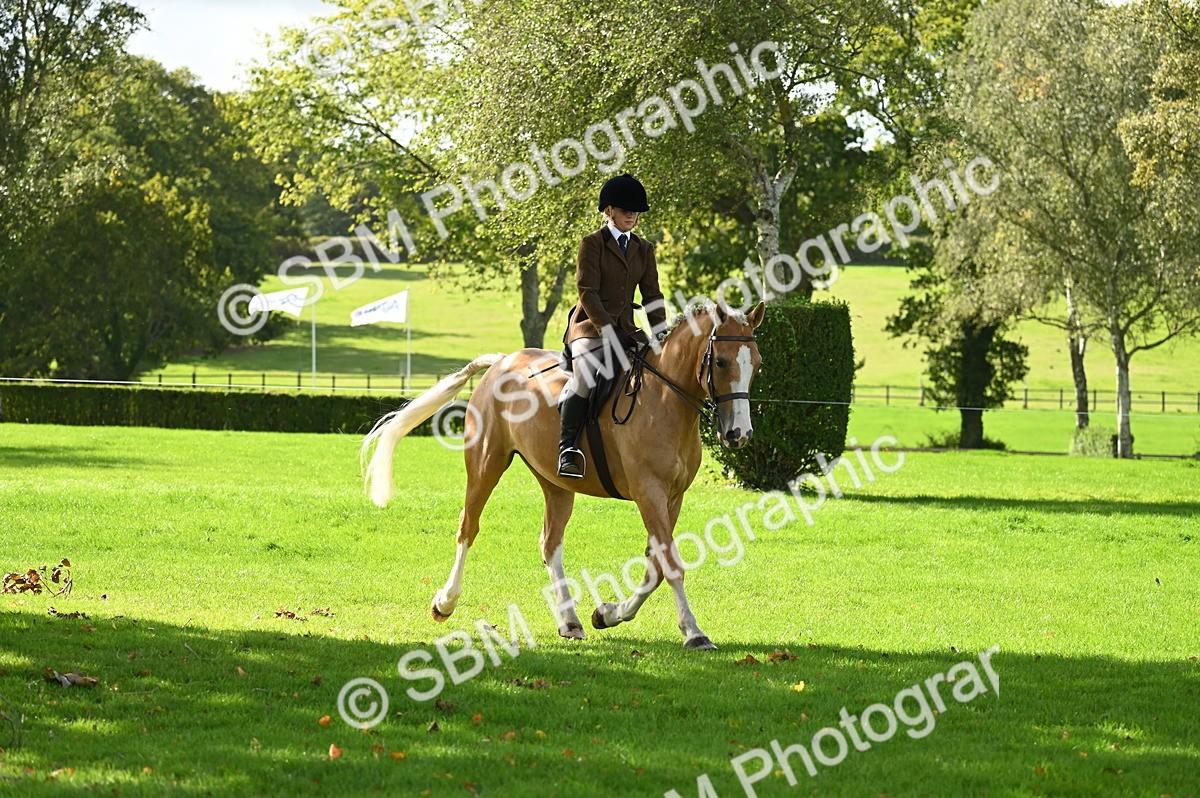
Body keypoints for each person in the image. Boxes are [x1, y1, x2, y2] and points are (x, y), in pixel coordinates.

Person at [557, 173, 666, 479]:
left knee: (658, 370)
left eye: (635, 211)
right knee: (585, 376)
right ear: (609, 211)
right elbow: (587, 292)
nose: (632, 215)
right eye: (625, 210)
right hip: (590, 328)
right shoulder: (593, 244)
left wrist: (661, 333)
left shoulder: (644, 248)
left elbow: (652, 295)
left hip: (628, 329)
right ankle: (567, 449)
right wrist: (608, 330)